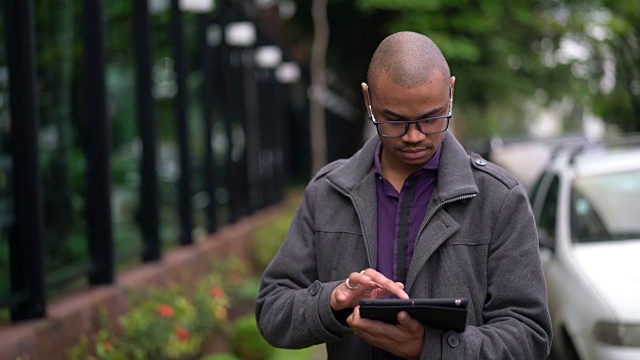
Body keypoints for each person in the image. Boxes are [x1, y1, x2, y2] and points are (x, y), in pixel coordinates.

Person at [256, 31, 552, 359]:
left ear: (450, 92)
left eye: (431, 118)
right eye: (394, 121)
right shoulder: (328, 193)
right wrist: (334, 301)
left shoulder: (499, 199)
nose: (414, 136)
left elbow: (529, 335)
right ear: (368, 100)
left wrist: (430, 348)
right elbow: (272, 311)